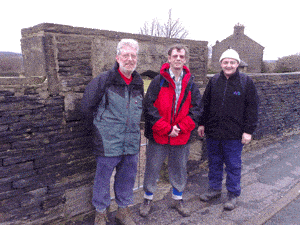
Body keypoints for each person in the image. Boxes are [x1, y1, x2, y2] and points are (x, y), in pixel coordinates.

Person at [81, 39, 144, 225]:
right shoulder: (103, 80)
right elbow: (86, 108)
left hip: (131, 141)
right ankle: (100, 213)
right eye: (126, 55)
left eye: (133, 56)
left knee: (127, 178)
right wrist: (99, 132)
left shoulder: (138, 83)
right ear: (117, 58)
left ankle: (122, 211)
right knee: (102, 179)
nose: (130, 59)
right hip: (108, 142)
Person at [140, 44, 202, 217]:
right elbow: (149, 107)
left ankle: (177, 199)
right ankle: (147, 198)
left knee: (179, 168)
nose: (178, 59)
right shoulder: (158, 80)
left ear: (185, 60)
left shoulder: (190, 83)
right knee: (152, 168)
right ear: (168, 58)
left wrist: (181, 128)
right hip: (159, 135)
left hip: (181, 136)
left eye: (181, 56)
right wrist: (166, 128)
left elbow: (197, 109)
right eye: (175, 56)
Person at [198, 48, 259, 210]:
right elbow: (205, 104)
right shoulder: (214, 80)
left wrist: (248, 131)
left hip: (234, 133)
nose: (229, 65)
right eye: (226, 62)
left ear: (237, 64)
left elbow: (252, 108)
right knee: (214, 162)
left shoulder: (246, 82)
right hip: (213, 132)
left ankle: (232, 194)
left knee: (233, 164)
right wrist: (202, 123)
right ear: (221, 64)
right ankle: (215, 189)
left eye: (232, 62)